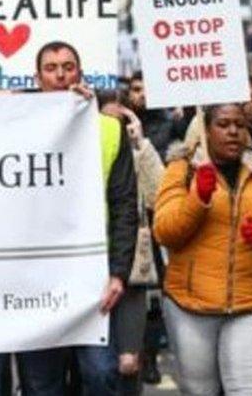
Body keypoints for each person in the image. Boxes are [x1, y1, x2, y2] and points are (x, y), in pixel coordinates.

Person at [16, 41, 138, 396]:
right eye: (51, 68)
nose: (60, 75)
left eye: (68, 67)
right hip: (36, 279)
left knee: (100, 375)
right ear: (37, 78)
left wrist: (118, 272)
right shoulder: (16, 126)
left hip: (93, 277)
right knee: (41, 383)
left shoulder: (108, 129)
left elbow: (124, 206)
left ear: (80, 73)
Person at [154, 102, 252, 396]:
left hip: (250, 305)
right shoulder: (181, 170)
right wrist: (198, 199)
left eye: (240, 124)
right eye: (223, 124)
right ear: (206, 131)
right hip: (191, 305)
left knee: (250, 390)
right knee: (200, 391)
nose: (233, 131)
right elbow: (165, 232)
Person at [100, 96, 166, 395]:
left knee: (128, 361)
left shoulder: (138, 154)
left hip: (130, 271)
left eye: (122, 122)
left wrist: (140, 145)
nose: (117, 129)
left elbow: (159, 196)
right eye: (108, 122)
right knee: (96, 368)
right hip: (92, 265)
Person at [123, 72, 190, 159]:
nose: (143, 95)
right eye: (137, 90)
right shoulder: (122, 123)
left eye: (148, 90)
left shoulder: (172, 121)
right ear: (129, 94)